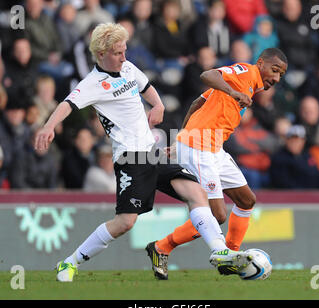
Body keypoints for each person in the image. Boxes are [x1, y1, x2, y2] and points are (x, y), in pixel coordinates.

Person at [34, 22, 250, 282]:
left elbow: (146, 87)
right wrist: (48, 126)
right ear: (101, 54)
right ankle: (70, 262)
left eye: (124, 50)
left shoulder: (127, 67)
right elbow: (67, 104)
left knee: (196, 192)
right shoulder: (92, 83)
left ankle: (219, 252)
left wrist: (157, 105)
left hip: (151, 151)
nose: (124, 57)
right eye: (117, 52)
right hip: (129, 158)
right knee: (125, 222)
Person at [147, 47, 288, 279]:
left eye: (281, 75)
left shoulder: (251, 87)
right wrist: (233, 93)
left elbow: (196, 103)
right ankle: (162, 247)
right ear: (260, 63)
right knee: (217, 214)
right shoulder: (244, 72)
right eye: (274, 70)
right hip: (200, 147)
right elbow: (207, 75)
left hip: (212, 148)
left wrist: (181, 137)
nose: (276, 78)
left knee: (246, 200)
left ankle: (230, 257)